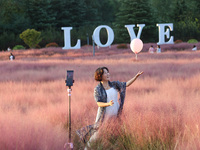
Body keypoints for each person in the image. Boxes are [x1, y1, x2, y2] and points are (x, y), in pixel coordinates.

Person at [76, 67, 143, 149]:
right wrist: (108, 103)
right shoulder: (98, 89)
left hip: (116, 115)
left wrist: (136, 77)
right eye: (105, 73)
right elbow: (99, 103)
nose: (108, 74)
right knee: (97, 135)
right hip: (104, 116)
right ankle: (87, 148)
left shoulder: (114, 84)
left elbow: (126, 84)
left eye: (108, 72)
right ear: (100, 75)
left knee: (117, 134)